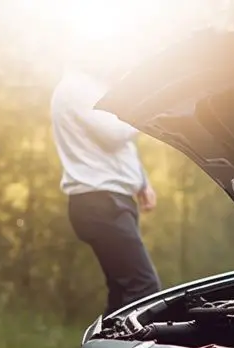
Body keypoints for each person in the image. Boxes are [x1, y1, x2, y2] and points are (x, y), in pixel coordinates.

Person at [50, 52, 161, 317]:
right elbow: (116, 132)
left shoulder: (89, 86)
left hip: (108, 201)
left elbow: (117, 143)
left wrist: (142, 181)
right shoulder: (77, 87)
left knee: (123, 293)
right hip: (100, 203)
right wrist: (145, 107)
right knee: (144, 288)